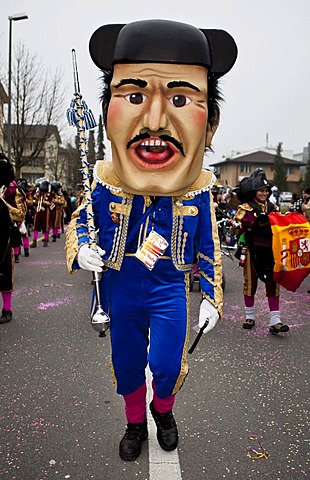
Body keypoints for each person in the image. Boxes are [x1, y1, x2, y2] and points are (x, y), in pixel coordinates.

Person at [66, 19, 237, 461]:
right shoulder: (105, 181)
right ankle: (134, 422)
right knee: (126, 365)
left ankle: (163, 411)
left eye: (180, 99)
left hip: (166, 290)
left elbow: (208, 249)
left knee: (164, 365)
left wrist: (213, 298)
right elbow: (82, 219)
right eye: (134, 96)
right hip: (121, 289)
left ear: (209, 123)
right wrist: (83, 247)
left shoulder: (198, 189)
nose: (156, 120)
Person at [232, 168, 289, 334]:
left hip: (271, 252)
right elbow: (236, 229)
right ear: (254, 192)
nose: (264, 193)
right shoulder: (245, 208)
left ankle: (275, 320)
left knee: (273, 282)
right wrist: (236, 226)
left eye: (266, 190)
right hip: (252, 251)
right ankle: (250, 316)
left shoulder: (274, 207)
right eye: (261, 190)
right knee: (250, 283)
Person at [0, 154, 26, 323]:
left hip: (4, 234)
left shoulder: (12, 190)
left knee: (4, 272)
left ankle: (7, 309)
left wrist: (4, 204)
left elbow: (20, 214)